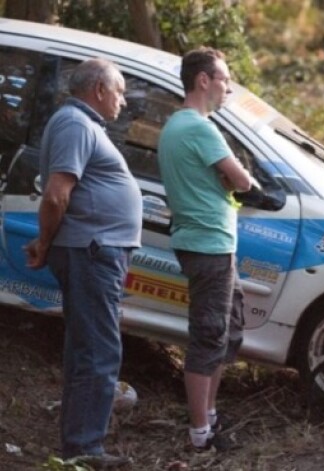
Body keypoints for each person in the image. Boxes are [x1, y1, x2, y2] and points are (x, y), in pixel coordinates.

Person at [24, 58, 141, 468]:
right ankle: (84, 451)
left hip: (92, 250)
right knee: (98, 351)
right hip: (91, 251)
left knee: (87, 349)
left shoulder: (81, 124)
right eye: (120, 90)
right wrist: (44, 240)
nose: (123, 101)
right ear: (99, 90)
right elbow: (57, 195)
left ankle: (79, 446)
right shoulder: (76, 123)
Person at [157, 47, 252, 451]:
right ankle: (200, 434)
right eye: (224, 80)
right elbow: (243, 181)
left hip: (209, 242)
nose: (227, 88)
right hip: (207, 243)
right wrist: (233, 177)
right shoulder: (199, 127)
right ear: (203, 80)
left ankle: (209, 418)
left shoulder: (178, 126)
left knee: (227, 329)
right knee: (210, 333)